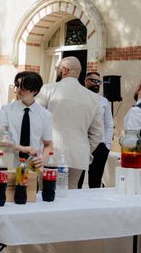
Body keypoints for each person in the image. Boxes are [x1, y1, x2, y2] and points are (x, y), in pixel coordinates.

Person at [37, 57, 103, 189]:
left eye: (57, 69)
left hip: (50, 152)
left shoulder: (48, 89)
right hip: (78, 154)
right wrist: (87, 149)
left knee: (46, 193)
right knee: (70, 194)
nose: (57, 72)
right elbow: (97, 133)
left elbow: (36, 119)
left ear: (65, 70)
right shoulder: (94, 98)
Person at [0, 71, 53, 168]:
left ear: (35, 91)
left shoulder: (45, 115)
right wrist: (22, 148)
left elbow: (48, 144)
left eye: (23, 88)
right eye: (17, 86)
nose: (19, 90)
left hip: (33, 166)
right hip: (8, 164)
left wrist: (42, 160)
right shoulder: (7, 110)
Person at [85, 71, 113, 188]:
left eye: (99, 82)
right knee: (78, 179)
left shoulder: (104, 101)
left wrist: (107, 145)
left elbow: (109, 124)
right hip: (82, 143)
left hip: (100, 146)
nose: (97, 84)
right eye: (94, 81)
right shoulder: (80, 98)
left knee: (95, 180)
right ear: (86, 81)